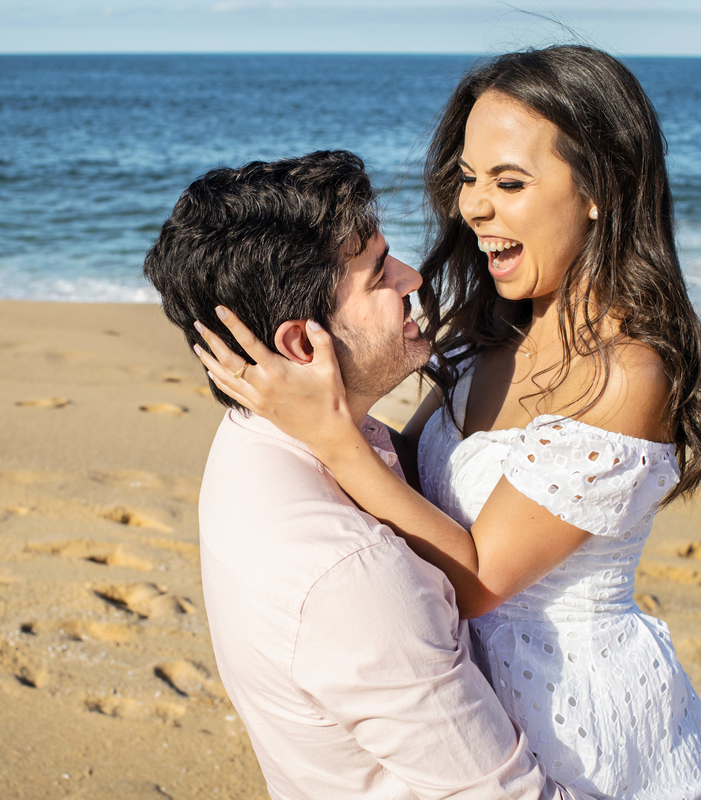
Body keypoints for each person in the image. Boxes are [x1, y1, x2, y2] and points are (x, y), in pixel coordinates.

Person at [196, 46, 701, 799]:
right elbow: (411, 482)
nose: (473, 206)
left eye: (509, 182)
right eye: (469, 178)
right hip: (465, 701)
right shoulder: (486, 329)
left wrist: (333, 434)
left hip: (579, 728)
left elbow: (479, 581)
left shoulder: (627, 375)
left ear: (600, 190)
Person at [144, 150, 588, 800]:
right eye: (379, 272)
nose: (411, 278)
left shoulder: (247, 440)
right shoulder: (355, 577)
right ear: (302, 346)